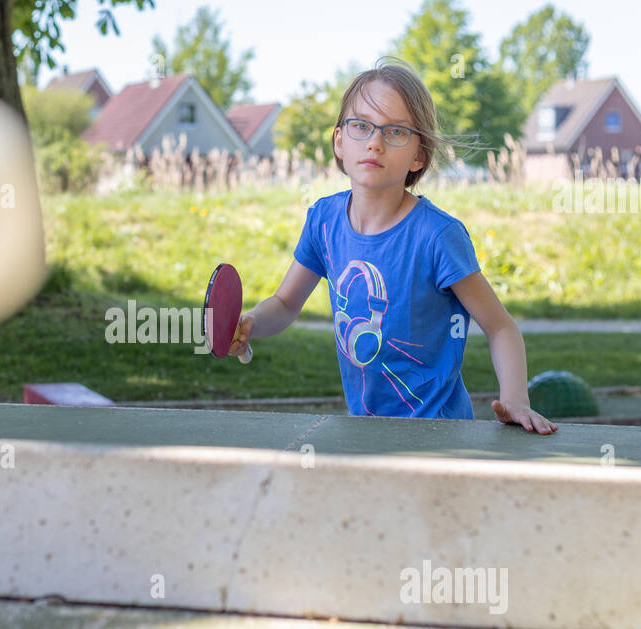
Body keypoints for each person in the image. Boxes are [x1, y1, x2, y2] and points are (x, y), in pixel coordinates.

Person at [227, 56, 557, 434]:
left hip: (440, 436)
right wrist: (251, 321)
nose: (374, 143)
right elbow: (285, 304)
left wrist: (515, 398)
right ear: (339, 141)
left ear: (419, 155)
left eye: (395, 131)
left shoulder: (438, 236)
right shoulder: (323, 221)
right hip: (367, 433)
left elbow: (500, 328)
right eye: (361, 126)